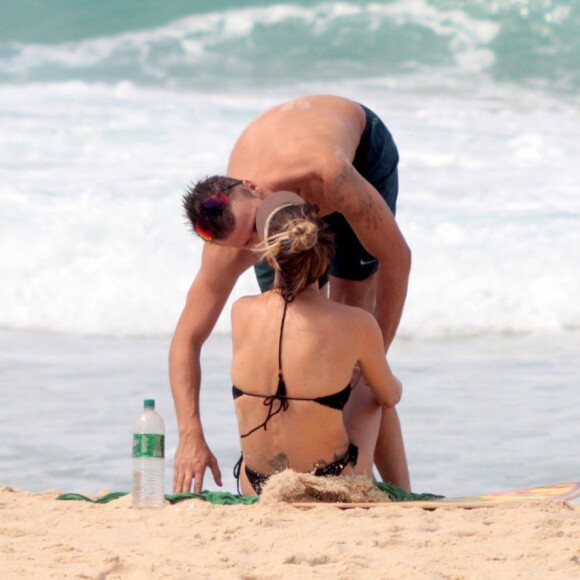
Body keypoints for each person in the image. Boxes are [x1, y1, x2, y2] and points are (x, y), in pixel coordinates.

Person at [170, 94, 411, 494]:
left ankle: (396, 486)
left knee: (351, 336)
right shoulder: (233, 243)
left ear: (253, 188)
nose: (258, 248)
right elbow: (186, 338)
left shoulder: (330, 177)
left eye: (253, 232)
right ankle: (312, 467)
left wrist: (372, 355)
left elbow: (397, 257)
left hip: (354, 150)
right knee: (295, 335)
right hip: (286, 174)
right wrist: (189, 434)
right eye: (244, 246)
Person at [231, 193, 401, 495]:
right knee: (370, 390)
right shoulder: (356, 323)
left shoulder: (241, 311)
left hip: (257, 484)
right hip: (329, 482)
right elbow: (390, 396)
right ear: (325, 256)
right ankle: (405, 492)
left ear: (270, 258)